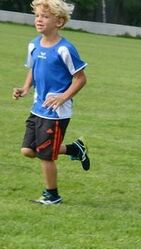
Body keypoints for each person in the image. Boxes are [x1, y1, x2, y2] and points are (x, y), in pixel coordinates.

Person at [13, 0, 90, 205]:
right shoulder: (33, 44)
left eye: (45, 17)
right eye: (37, 16)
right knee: (28, 150)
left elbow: (81, 78)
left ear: (59, 22)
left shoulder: (65, 49)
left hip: (56, 112)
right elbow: (33, 68)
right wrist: (25, 88)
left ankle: (52, 195)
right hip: (38, 108)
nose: (39, 20)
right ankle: (75, 149)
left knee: (45, 156)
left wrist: (63, 97)